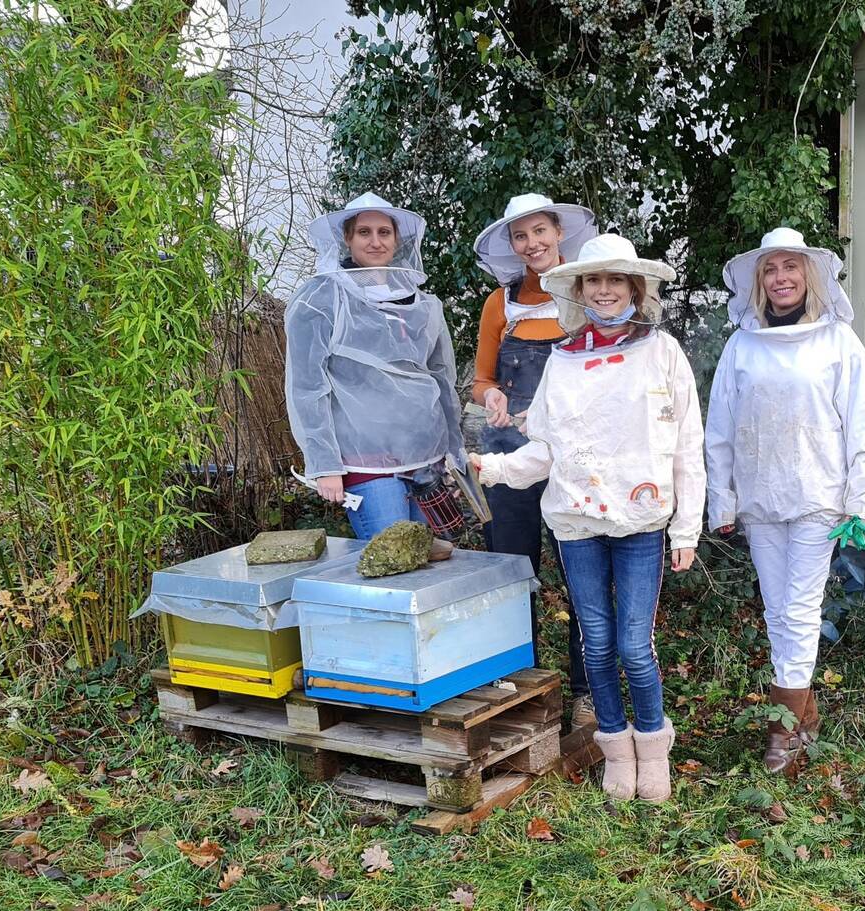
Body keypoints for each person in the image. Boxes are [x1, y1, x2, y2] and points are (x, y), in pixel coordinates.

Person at [471, 234, 704, 805]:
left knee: (633, 644)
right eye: (593, 281)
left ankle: (653, 747)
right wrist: (494, 467)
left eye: (615, 280)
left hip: (642, 519)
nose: (603, 290)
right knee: (595, 641)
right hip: (576, 520)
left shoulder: (663, 352)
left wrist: (687, 527)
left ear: (634, 288)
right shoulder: (563, 359)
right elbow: (547, 449)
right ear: (579, 292)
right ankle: (615, 752)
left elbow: (687, 446)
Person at [705, 227, 865, 775]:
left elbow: (864, 424)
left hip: (818, 496)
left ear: (809, 275)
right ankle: (804, 718)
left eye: (790, 267)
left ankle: (782, 732)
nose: (780, 278)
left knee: (800, 610)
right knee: (776, 608)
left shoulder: (839, 343)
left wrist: (862, 500)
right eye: (770, 269)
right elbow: (721, 428)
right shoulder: (743, 344)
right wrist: (722, 498)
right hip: (761, 496)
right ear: (758, 280)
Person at [471, 193, 600, 726]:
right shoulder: (499, 303)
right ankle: (518, 691)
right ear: (512, 245)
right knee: (510, 572)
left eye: (540, 232)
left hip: (576, 459)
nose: (533, 244)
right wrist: (493, 398)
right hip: (509, 458)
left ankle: (587, 694)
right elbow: (481, 379)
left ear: (559, 232)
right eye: (521, 236)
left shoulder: (589, 291)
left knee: (582, 575)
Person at [285, 191, 466, 539]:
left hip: (425, 457)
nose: (375, 241)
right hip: (364, 461)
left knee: (431, 569)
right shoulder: (322, 298)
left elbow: (441, 379)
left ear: (397, 239)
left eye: (384, 232)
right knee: (392, 567)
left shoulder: (425, 304)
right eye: (364, 232)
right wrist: (324, 465)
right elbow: (307, 384)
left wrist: (453, 451)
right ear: (348, 238)